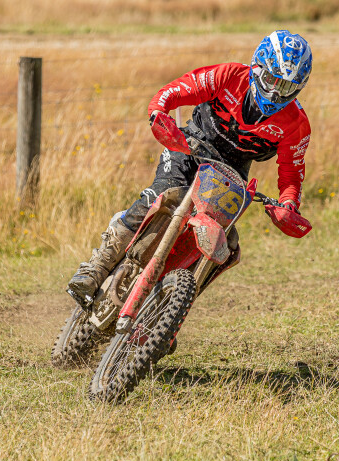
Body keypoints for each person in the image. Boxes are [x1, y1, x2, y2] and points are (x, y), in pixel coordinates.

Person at [67, 30, 313, 308]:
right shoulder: (229, 76)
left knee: (227, 245)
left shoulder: (296, 123)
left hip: (232, 175)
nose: (276, 92)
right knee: (160, 194)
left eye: (286, 87)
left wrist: (288, 205)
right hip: (189, 148)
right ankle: (96, 267)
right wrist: (159, 113)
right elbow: (176, 91)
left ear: (299, 88)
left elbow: (291, 174)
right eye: (271, 80)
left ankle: (171, 308)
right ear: (257, 68)